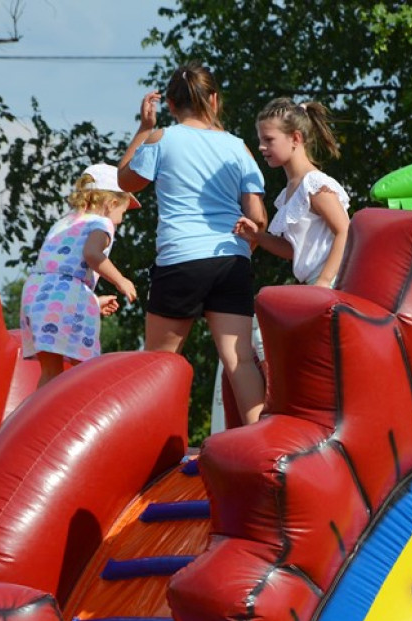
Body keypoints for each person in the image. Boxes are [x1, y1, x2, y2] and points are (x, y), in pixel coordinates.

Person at [117, 62, 268, 425]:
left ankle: (154, 454)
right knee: (240, 360)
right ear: (214, 100)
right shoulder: (239, 148)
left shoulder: (162, 139)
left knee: (159, 362)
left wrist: (143, 129)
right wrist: (245, 252)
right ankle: (264, 447)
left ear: (170, 104)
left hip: (180, 260)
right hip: (230, 259)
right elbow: (257, 217)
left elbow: (125, 182)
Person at [20, 163, 139, 388]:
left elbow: (58, 272)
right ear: (111, 203)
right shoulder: (101, 223)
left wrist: (91, 302)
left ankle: (39, 419)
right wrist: (121, 280)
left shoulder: (64, 222)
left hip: (36, 294)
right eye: (122, 212)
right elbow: (92, 254)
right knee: (85, 369)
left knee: (50, 372)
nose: (121, 220)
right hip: (67, 293)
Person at [233, 97, 350, 287]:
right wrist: (258, 236)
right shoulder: (290, 191)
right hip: (317, 284)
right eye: (260, 140)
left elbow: (345, 231)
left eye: (269, 140)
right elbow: (295, 250)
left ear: (296, 138)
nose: (261, 147)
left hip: (333, 283)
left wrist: (324, 281)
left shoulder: (314, 183)